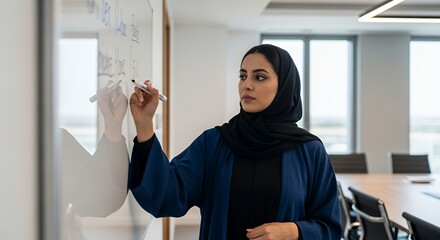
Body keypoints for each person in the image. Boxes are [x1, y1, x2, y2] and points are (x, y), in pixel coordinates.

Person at [128, 44, 342, 239]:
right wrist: (145, 124)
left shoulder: (309, 150)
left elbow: (330, 229)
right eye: (242, 76)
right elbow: (166, 197)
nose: (246, 85)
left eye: (259, 77)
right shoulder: (214, 143)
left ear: (284, 85)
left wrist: (294, 231)